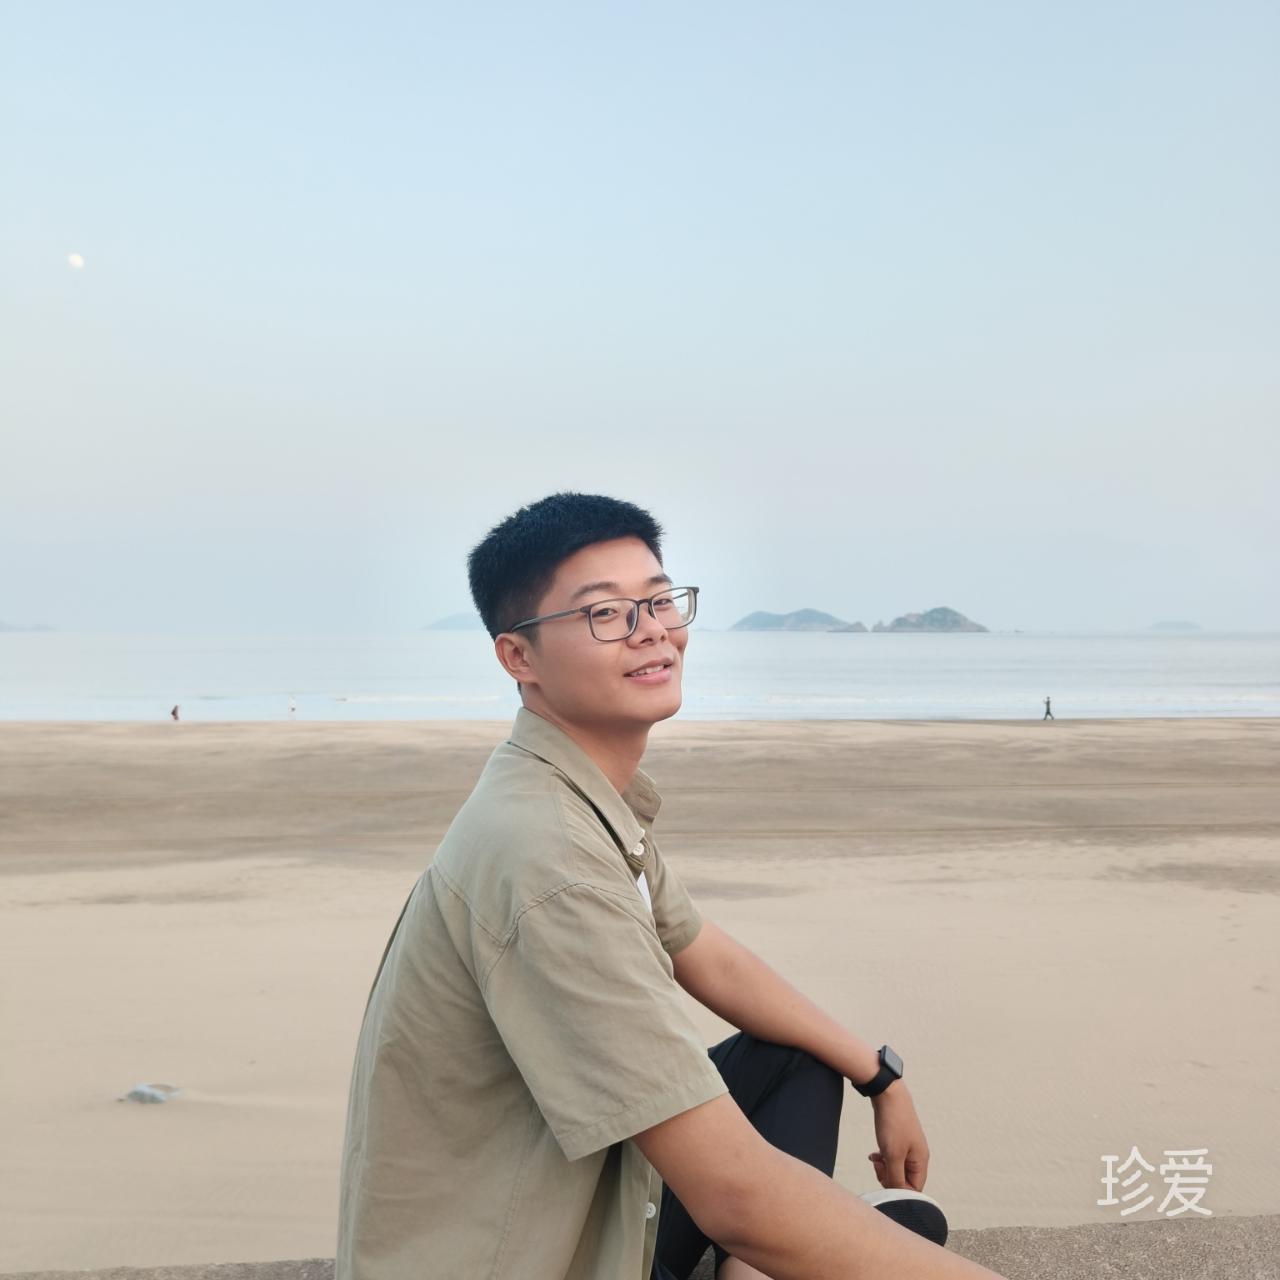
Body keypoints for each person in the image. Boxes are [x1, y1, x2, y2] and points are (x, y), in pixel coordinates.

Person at [336, 492, 1005, 1280]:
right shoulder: (548, 854)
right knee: (780, 1211)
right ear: (519, 658)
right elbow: (734, 1197)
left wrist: (879, 1075)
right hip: (524, 1255)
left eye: (658, 601)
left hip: (581, 1198)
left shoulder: (571, 790)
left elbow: (701, 951)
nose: (651, 629)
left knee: (797, 1056)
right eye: (605, 613)